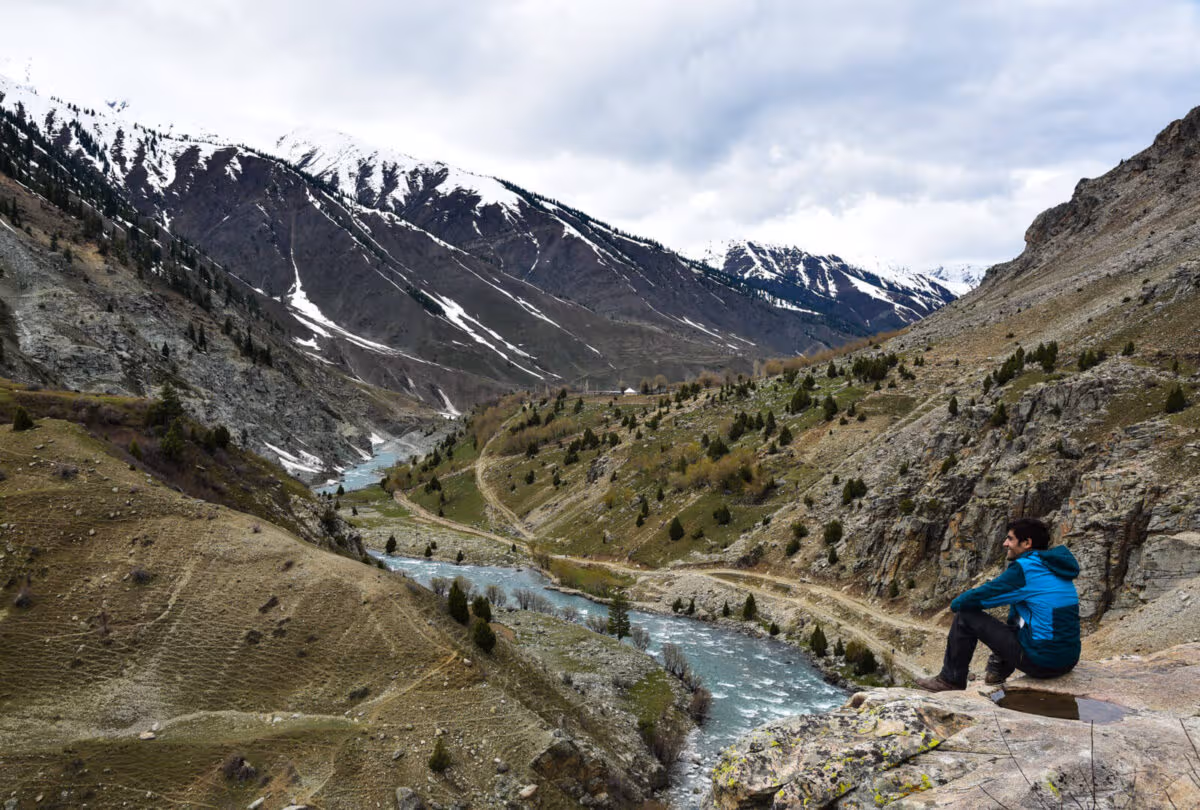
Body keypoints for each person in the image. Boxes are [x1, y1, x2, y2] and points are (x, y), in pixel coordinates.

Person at [915, 517, 1080, 692]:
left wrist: (955, 604)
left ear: (1026, 543)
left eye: (1010, 539)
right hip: (1068, 660)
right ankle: (999, 669)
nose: (1004, 543)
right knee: (1021, 605)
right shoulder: (1052, 567)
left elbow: (981, 597)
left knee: (965, 616)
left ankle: (950, 680)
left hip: (1043, 662)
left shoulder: (1025, 568)